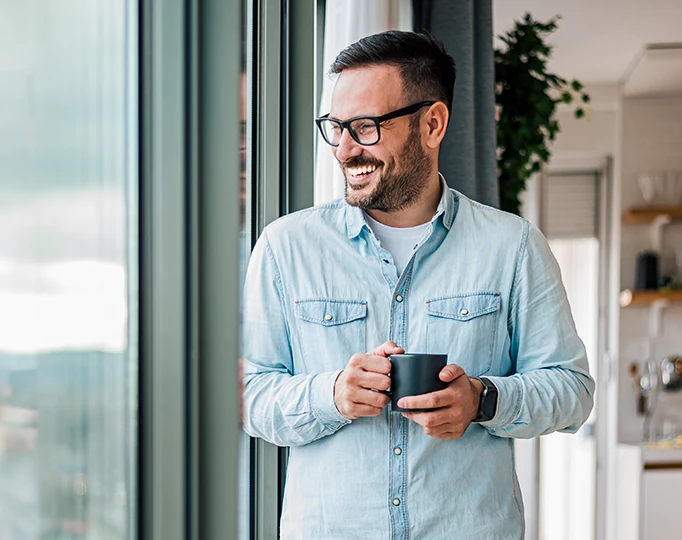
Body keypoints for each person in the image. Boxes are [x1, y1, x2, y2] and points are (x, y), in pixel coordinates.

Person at [242, 30, 594, 539]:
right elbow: (251, 394)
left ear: (432, 124)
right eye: (335, 127)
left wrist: (482, 400)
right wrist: (332, 394)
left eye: (364, 127)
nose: (343, 150)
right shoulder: (284, 248)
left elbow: (572, 390)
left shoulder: (512, 246)